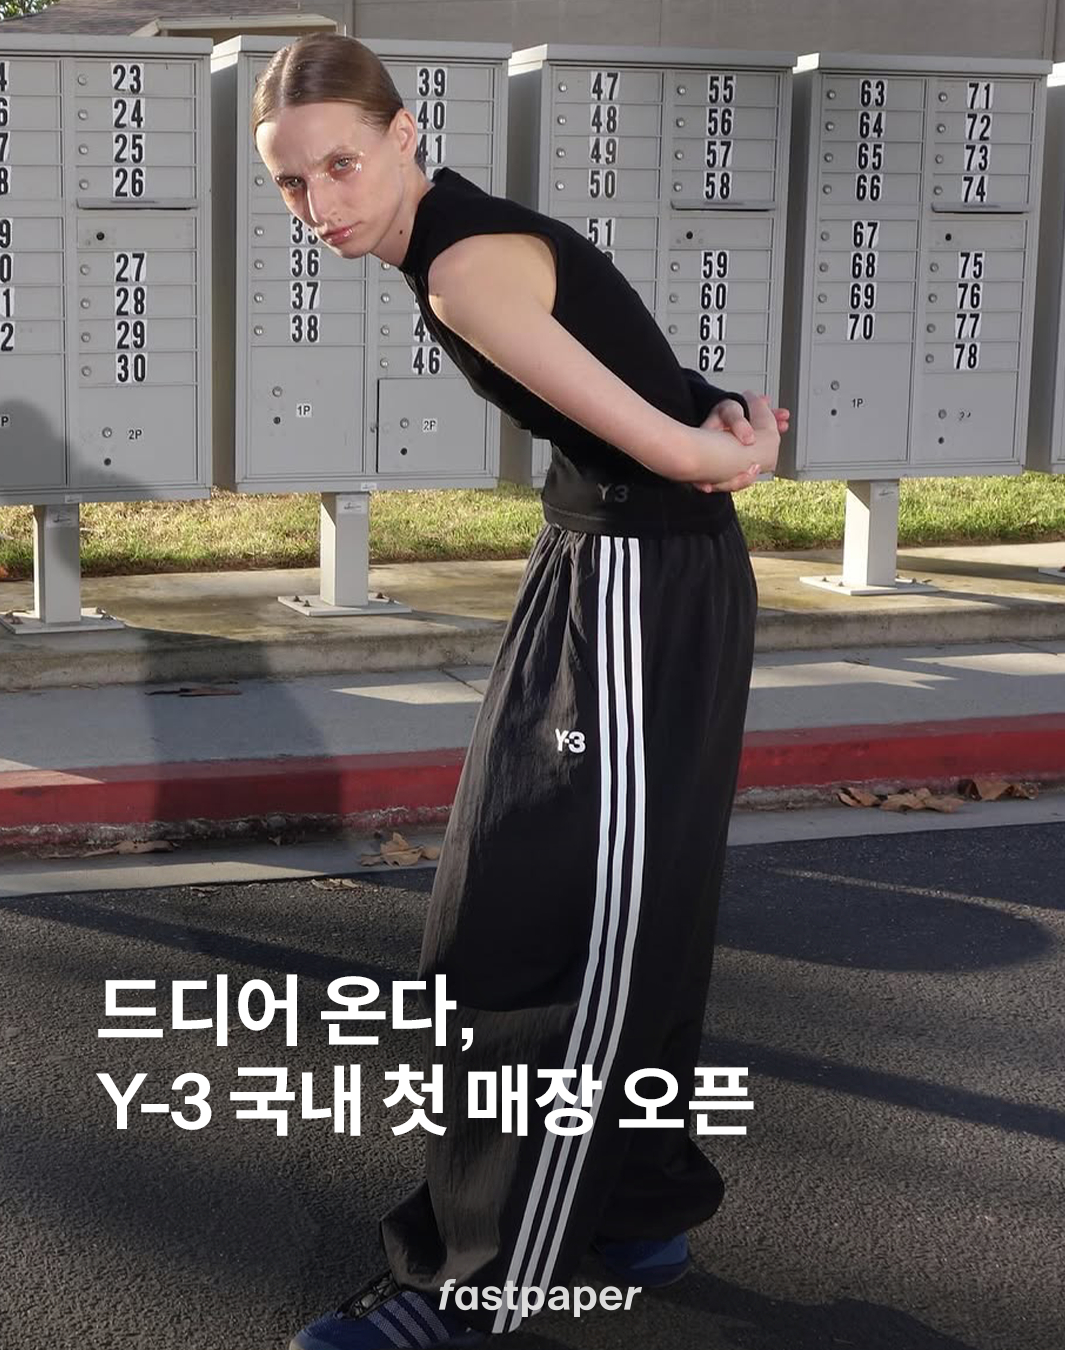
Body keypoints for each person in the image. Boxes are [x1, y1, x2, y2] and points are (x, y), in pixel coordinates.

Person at [252, 32, 789, 1350]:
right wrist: (725, 419)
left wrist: (727, 444)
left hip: (637, 588)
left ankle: (478, 1281)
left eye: (340, 165)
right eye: (291, 183)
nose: (320, 205)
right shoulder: (471, 240)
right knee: (612, 920)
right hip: (612, 572)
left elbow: (671, 447)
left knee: (542, 938)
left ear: (404, 136)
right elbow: (656, 393)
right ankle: (640, 1207)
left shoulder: (462, 270)